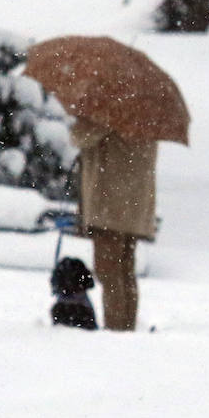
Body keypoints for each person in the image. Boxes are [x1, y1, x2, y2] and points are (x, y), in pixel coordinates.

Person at [70, 118, 157, 331]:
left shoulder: (111, 113)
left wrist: (82, 121)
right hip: (133, 208)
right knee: (125, 271)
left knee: (108, 272)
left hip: (109, 207)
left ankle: (116, 329)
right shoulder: (146, 118)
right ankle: (126, 325)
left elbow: (80, 137)